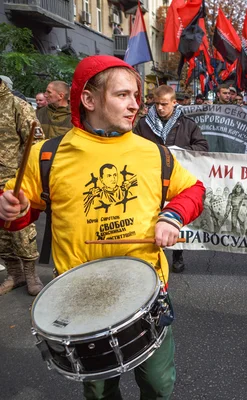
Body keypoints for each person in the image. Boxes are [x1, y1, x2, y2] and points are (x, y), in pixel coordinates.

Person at [0, 55, 205, 399]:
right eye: (122, 95)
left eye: (136, 96)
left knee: (158, 385)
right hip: (81, 299)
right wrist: (12, 208)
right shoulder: (46, 156)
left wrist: (172, 216)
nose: (135, 105)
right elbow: (18, 216)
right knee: (99, 393)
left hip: (146, 292)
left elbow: (193, 190)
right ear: (89, 99)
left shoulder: (154, 153)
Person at [134, 84, 208, 273]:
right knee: (149, 217)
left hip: (177, 179)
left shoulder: (188, 124)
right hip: (150, 179)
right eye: (157, 104)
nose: (159, 108)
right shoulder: (143, 124)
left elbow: (202, 147)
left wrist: (181, 153)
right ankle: (149, 258)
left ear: (174, 103)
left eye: (164, 104)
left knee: (174, 218)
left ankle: (178, 256)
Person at [0, 76, 45, 296]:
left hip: (13, 182)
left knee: (21, 232)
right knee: (1, 236)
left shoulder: (16, 105)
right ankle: (14, 274)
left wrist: (26, 179)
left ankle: (31, 274)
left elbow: (35, 146)